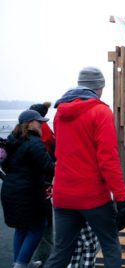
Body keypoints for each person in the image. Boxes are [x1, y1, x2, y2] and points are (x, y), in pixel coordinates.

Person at [44, 67, 125, 268]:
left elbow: (60, 154)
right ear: (99, 88)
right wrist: (121, 200)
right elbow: (108, 160)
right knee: (110, 246)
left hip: (63, 196)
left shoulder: (59, 114)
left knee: (61, 252)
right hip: (93, 197)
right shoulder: (101, 112)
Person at [1, 110, 55, 268]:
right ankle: (21, 264)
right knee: (38, 227)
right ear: (30, 123)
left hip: (9, 189)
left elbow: (5, 165)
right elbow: (48, 167)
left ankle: (21, 261)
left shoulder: (12, 139)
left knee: (21, 227)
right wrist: (61, 165)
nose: (42, 124)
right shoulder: (34, 142)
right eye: (39, 122)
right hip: (28, 193)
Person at [29, 102, 55, 226]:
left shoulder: (41, 128)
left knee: (44, 195)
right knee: (45, 195)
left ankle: (46, 223)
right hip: (46, 163)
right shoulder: (45, 127)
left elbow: (43, 145)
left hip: (42, 165)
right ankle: (46, 222)